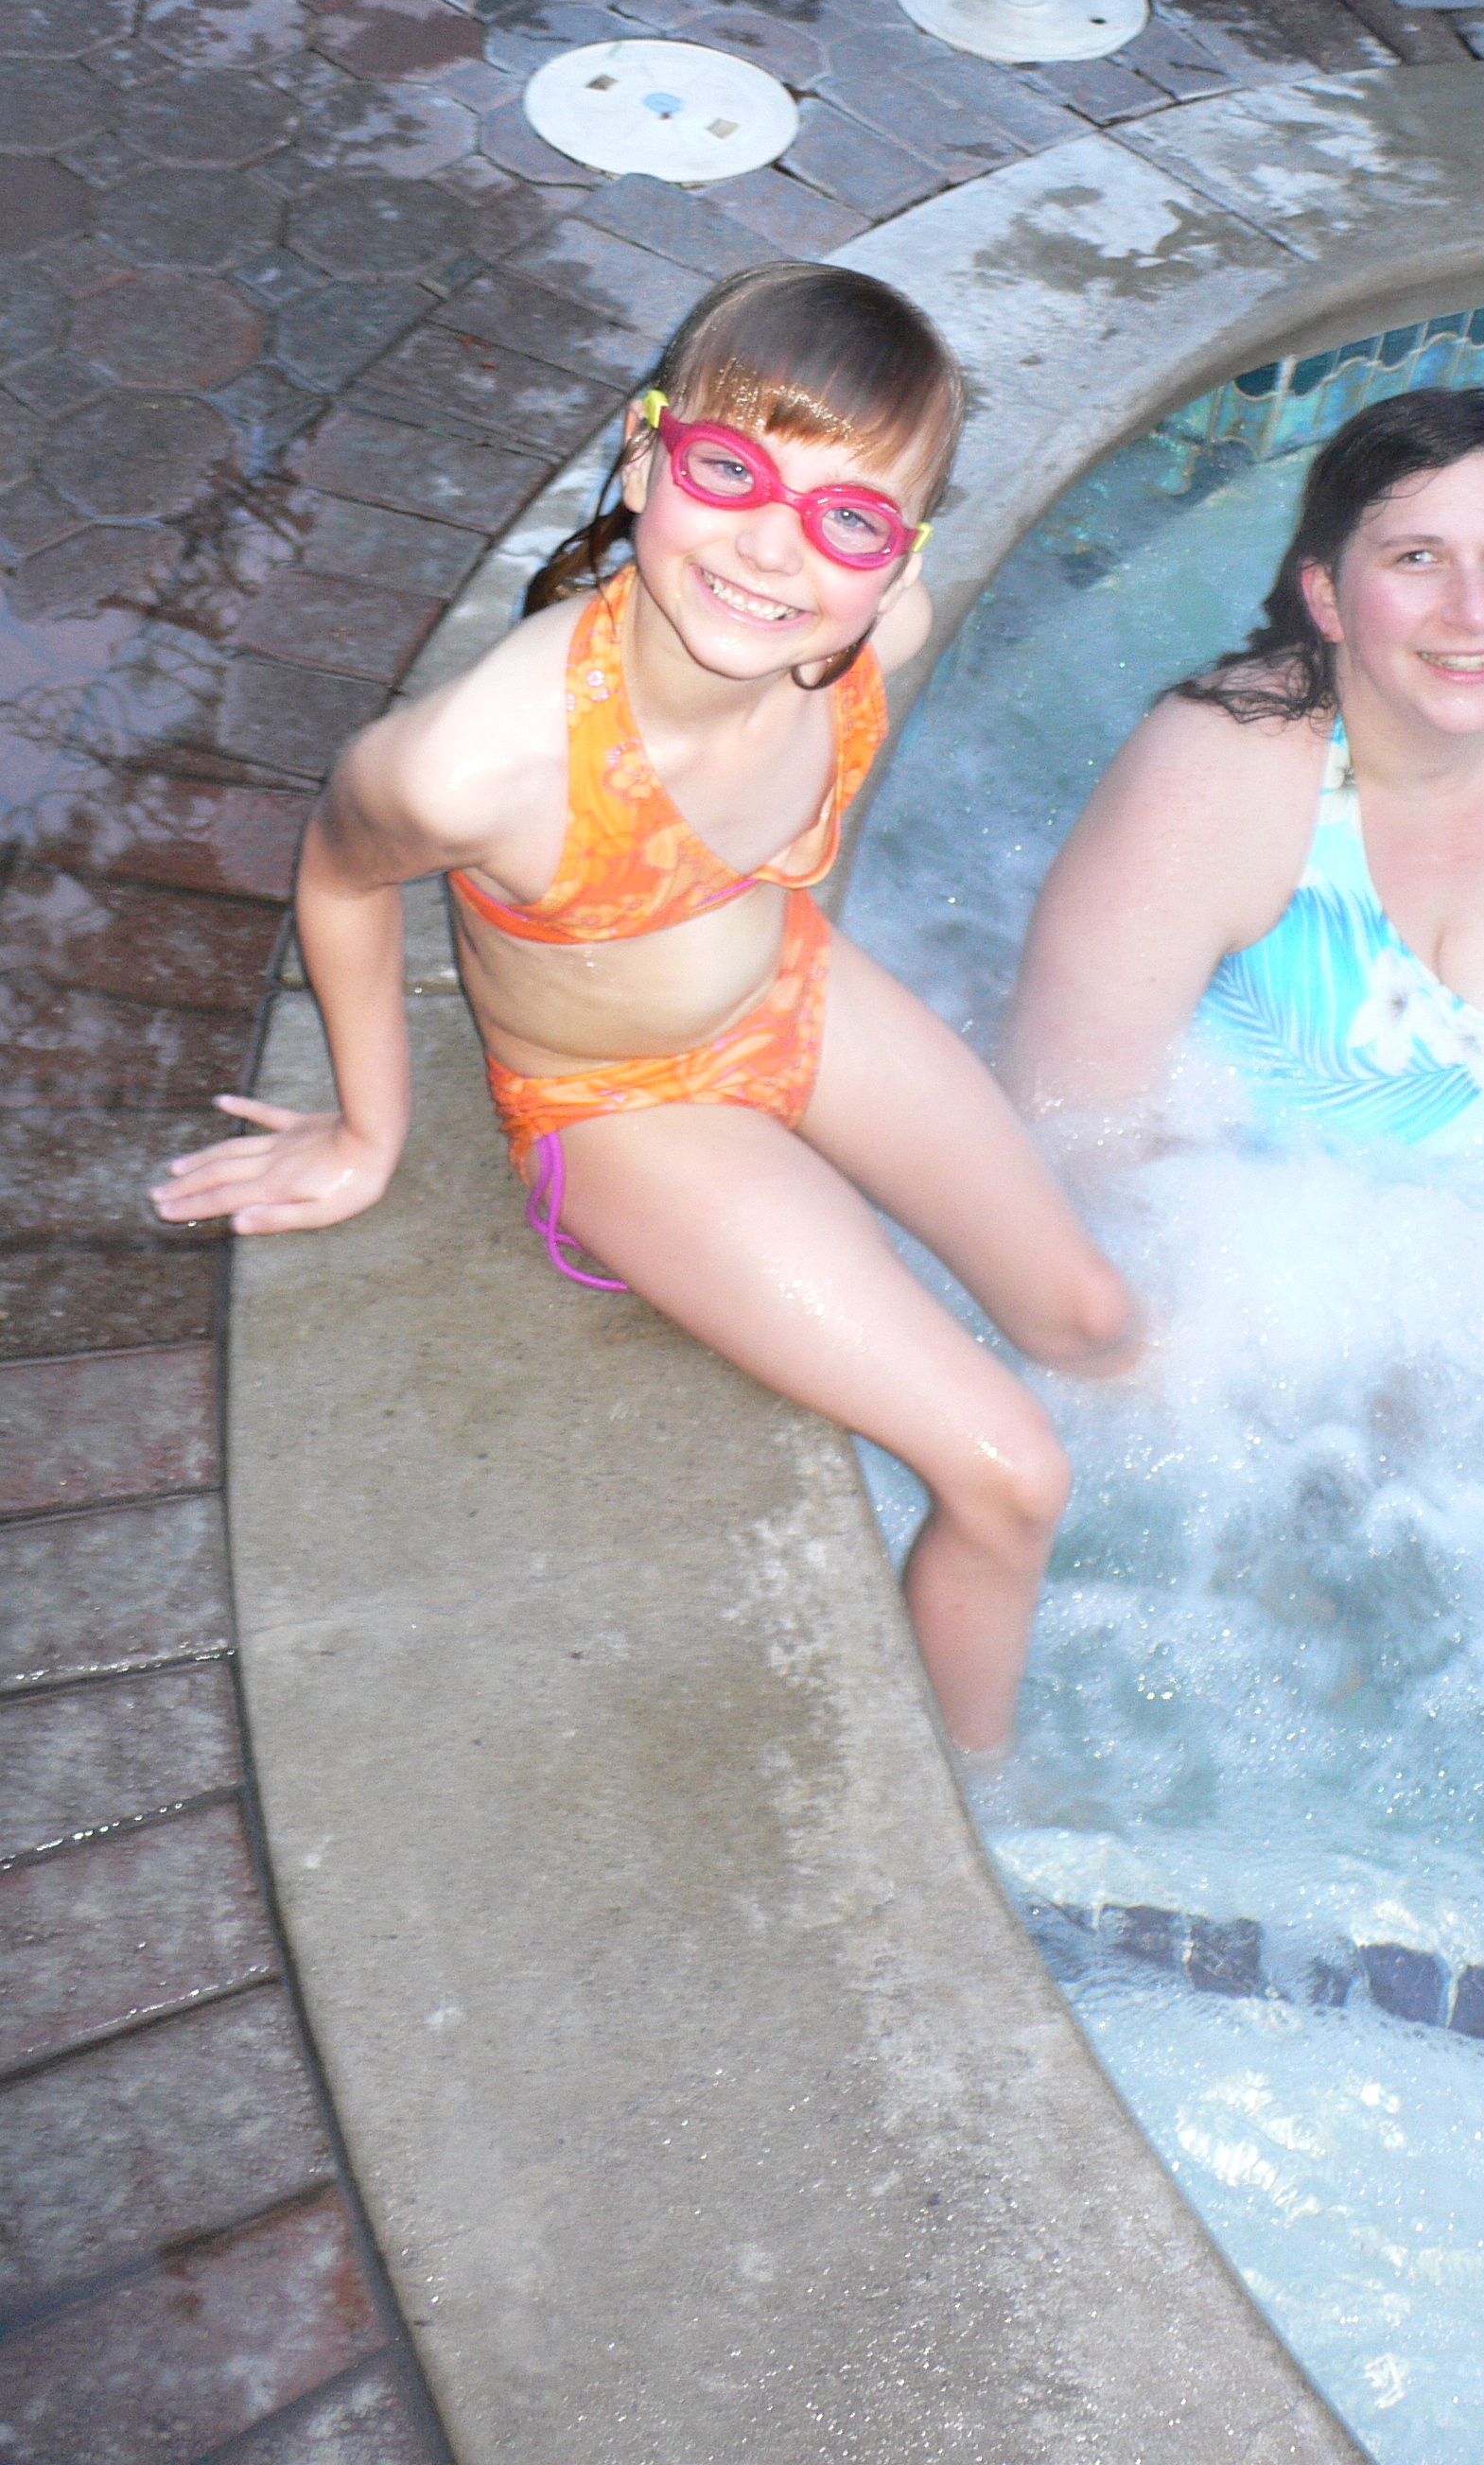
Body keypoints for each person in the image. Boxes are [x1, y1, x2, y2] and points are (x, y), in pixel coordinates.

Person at [152, 262, 1139, 1755]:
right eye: (731, 471)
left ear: (900, 557)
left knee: (1094, 1318)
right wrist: (366, 1134)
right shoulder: (479, 765)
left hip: (791, 989)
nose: (773, 547)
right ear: (642, 453)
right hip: (626, 1108)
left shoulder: (874, 634)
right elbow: (342, 878)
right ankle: (994, 1797)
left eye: (850, 518)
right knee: (1013, 1477)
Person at [1005, 385, 1484, 1145]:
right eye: (1418, 558)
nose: (1475, 610)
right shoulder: (1211, 787)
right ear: (1327, 597)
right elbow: (1078, 1140)